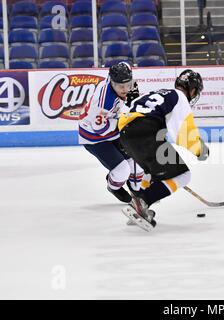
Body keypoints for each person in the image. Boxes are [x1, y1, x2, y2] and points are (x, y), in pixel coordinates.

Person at [118, 69, 209, 230]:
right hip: (145, 134)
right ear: (192, 90)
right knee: (183, 175)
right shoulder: (180, 97)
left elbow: (131, 111)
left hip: (126, 135)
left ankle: (137, 203)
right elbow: (184, 134)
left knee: (151, 172)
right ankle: (143, 201)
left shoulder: (158, 93)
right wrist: (200, 150)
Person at [78, 62, 144, 203]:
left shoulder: (120, 79)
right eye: (121, 86)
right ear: (112, 83)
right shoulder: (102, 102)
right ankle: (113, 186)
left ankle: (136, 191)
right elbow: (100, 129)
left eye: (128, 84)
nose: (126, 89)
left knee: (137, 162)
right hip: (94, 137)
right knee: (122, 171)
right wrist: (125, 124)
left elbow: (124, 65)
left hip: (111, 125)